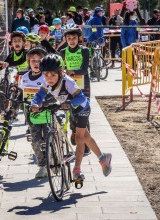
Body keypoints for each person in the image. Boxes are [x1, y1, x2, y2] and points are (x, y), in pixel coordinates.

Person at [30, 54, 112, 181]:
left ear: (61, 72)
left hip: (81, 108)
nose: (49, 78)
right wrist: (35, 103)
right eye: (46, 75)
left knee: (80, 137)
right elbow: (39, 94)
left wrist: (69, 103)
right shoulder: (46, 82)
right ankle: (103, 158)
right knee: (86, 136)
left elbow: (80, 98)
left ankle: (77, 170)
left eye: (53, 75)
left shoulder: (68, 82)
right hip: (67, 107)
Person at [60, 27, 91, 155]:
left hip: (84, 86)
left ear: (79, 38)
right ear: (65, 40)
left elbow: (84, 69)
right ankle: (74, 132)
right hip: (69, 87)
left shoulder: (84, 50)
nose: (71, 41)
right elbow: (60, 68)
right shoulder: (62, 52)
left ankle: (86, 144)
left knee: (83, 114)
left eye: (74, 38)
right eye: (69, 39)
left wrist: (72, 72)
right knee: (71, 113)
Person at [18, 47, 49, 178]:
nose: (36, 64)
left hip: (47, 113)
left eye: (39, 61)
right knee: (35, 141)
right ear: (28, 62)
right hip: (32, 115)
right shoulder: (24, 78)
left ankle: (53, 160)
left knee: (49, 140)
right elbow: (20, 94)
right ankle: (42, 166)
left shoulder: (47, 76)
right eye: (33, 61)